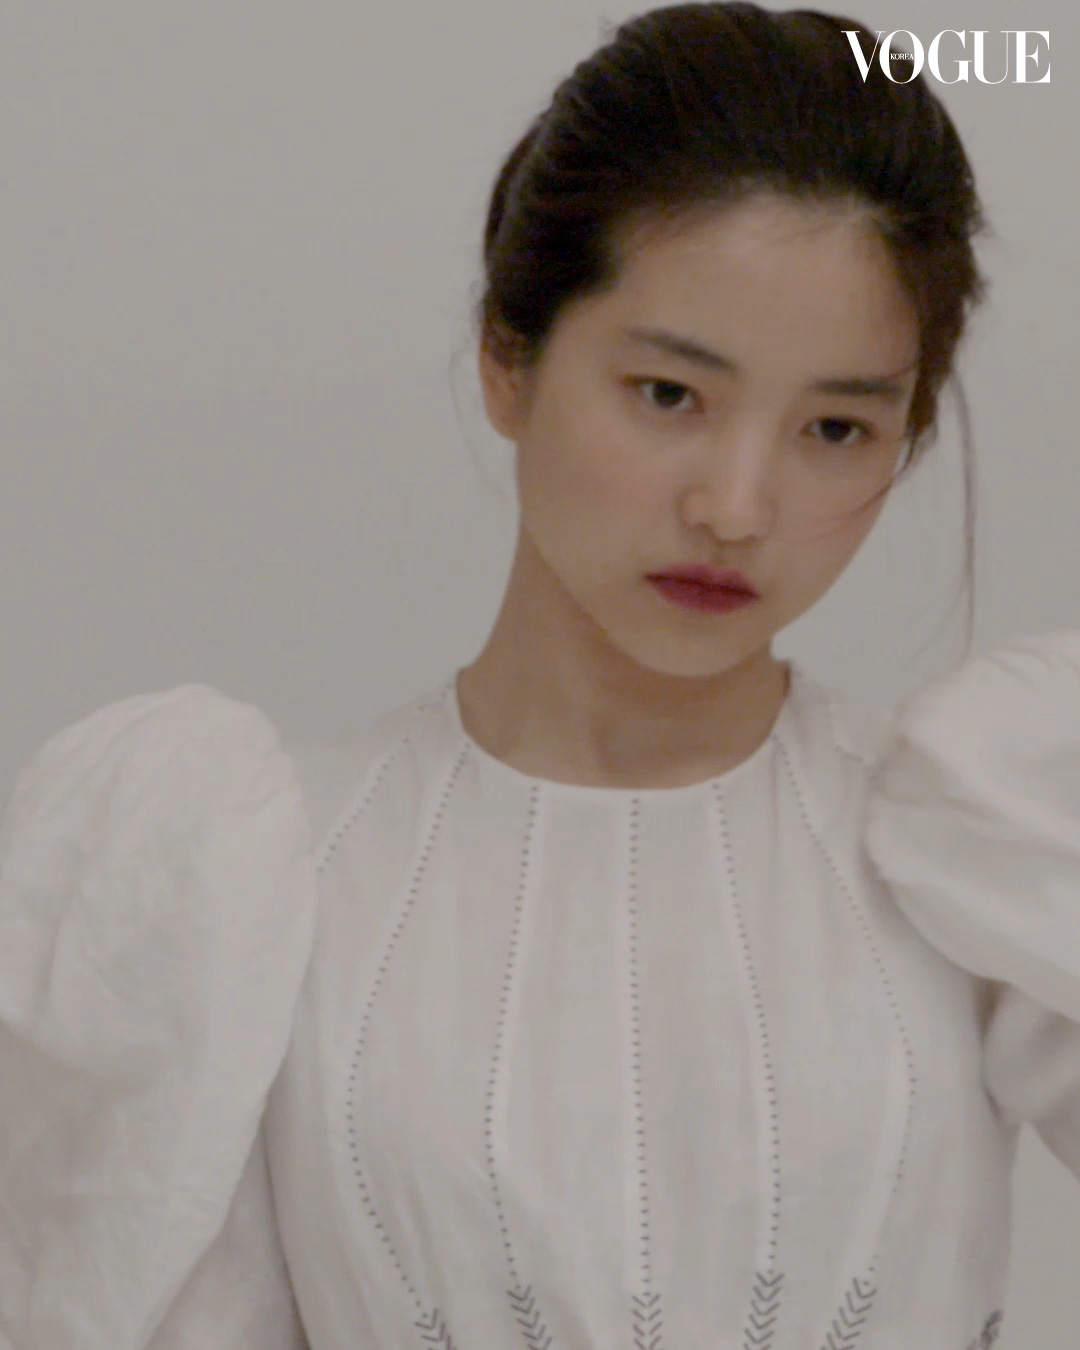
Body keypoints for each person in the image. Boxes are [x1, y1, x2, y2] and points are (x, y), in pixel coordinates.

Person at [0, 4, 1076, 1348]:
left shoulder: (979, 851)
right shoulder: (247, 883)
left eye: (837, 427)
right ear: (509, 358)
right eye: (670, 394)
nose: (737, 506)